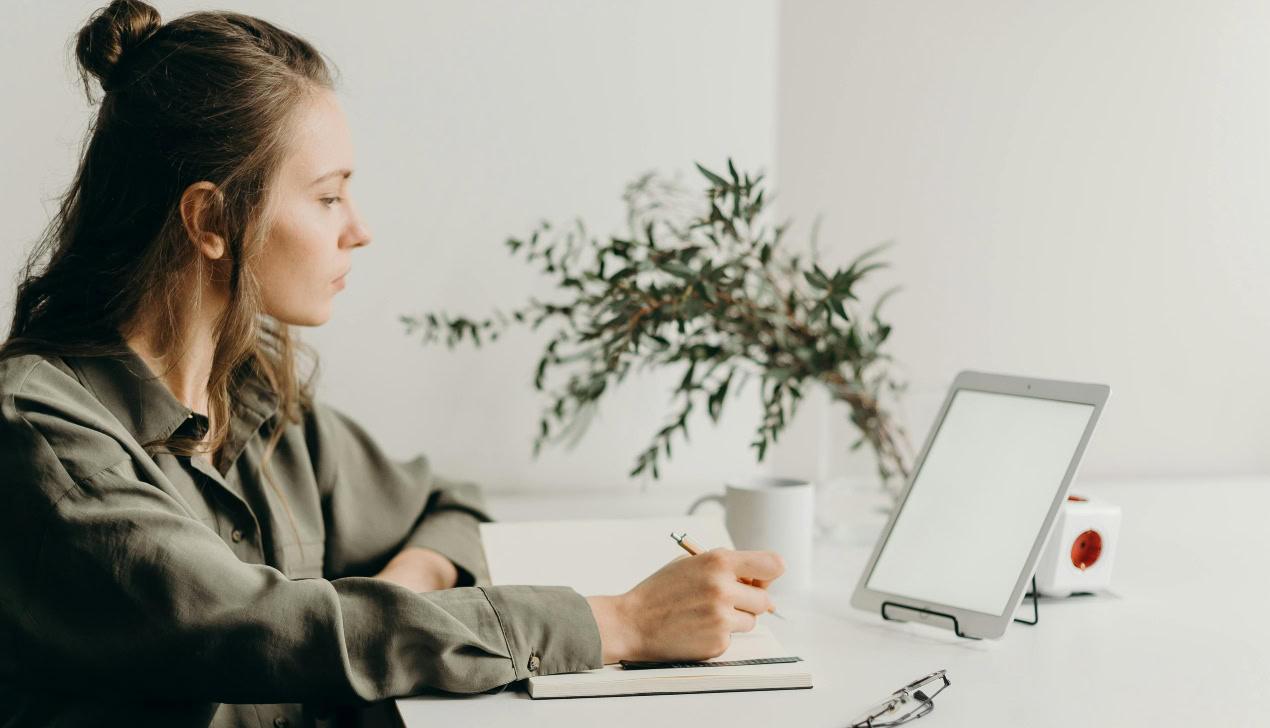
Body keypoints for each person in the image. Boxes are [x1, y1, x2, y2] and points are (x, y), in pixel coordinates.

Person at [0, 2, 785, 726]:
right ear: (211, 220)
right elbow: (260, 628)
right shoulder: (38, 433)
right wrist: (621, 622)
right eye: (329, 197)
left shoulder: (254, 396)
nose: (360, 229)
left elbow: (448, 506)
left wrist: (399, 597)